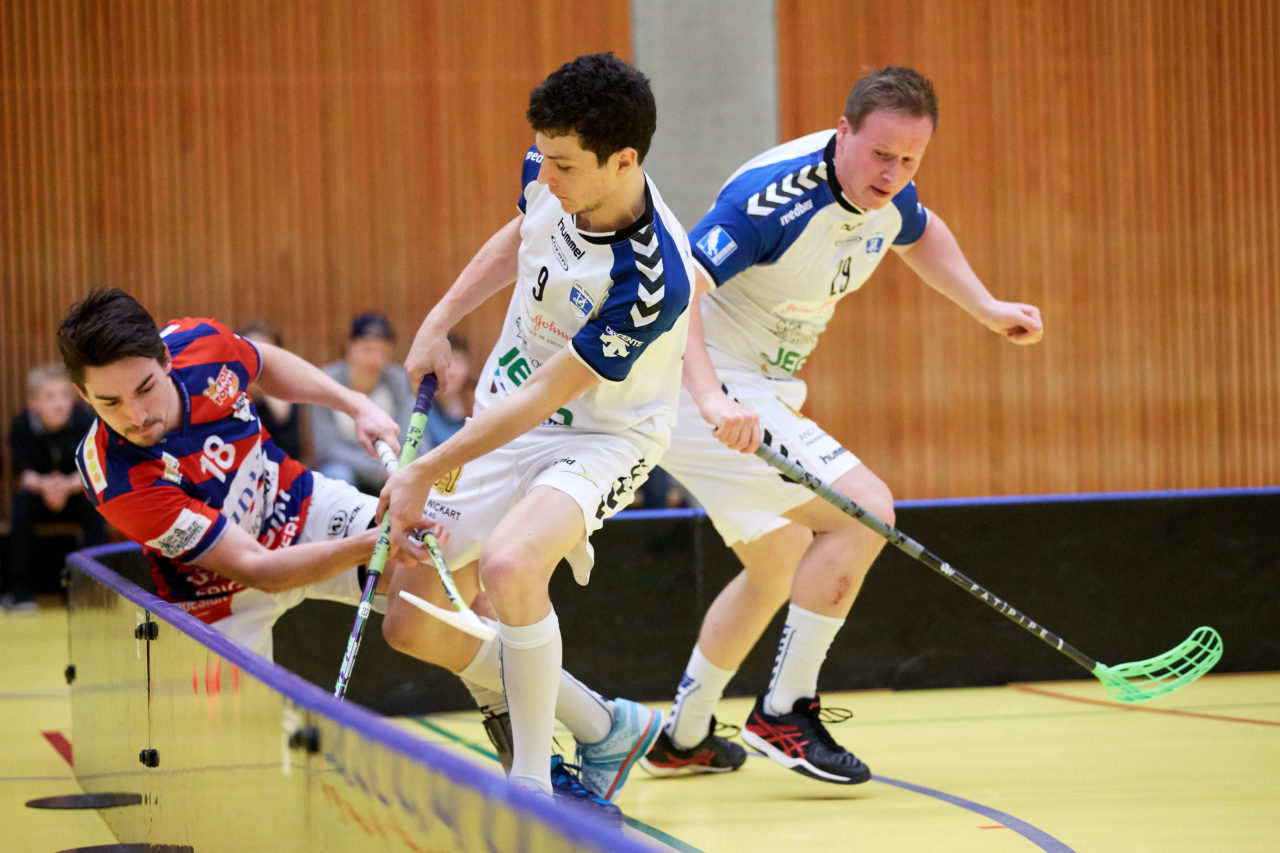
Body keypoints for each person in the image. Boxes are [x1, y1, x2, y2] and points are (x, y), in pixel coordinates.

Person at [640, 66, 1044, 784]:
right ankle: (785, 709)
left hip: (759, 388)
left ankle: (686, 734)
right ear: (842, 131)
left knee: (776, 565)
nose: (893, 174)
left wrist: (986, 307)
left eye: (910, 160)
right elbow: (676, 293)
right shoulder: (769, 202)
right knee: (867, 508)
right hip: (701, 385)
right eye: (880, 154)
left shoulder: (888, 192)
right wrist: (710, 398)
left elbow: (918, 231)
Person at [375, 53, 695, 818]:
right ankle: (601, 723)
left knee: (514, 567)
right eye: (542, 157)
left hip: (602, 435)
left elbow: (550, 398)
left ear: (624, 161)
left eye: (563, 165)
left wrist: (426, 469)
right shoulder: (548, 171)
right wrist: (437, 320)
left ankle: (534, 788)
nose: (544, 177)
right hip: (507, 415)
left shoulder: (651, 280)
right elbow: (522, 232)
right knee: (410, 622)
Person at [56, 288, 433, 659]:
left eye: (146, 388)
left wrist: (354, 404)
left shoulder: (202, 347)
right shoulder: (115, 478)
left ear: (166, 359)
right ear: (84, 394)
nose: (136, 416)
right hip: (218, 597)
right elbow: (257, 569)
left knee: (428, 572)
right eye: (111, 402)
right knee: (233, 721)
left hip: (298, 505)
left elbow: (263, 362)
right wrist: (377, 541)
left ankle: (493, 701)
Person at [3, 364, 106, 610]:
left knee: (98, 507)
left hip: (76, 492)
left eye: (64, 396)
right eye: (50, 397)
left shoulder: (85, 420)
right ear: (33, 403)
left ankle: (96, 588)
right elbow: (23, 473)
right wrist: (47, 486)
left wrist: (67, 486)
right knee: (21, 506)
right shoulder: (21, 425)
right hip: (39, 495)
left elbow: (93, 470)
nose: (59, 404)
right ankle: (19, 591)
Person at [310, 312, 415, 493]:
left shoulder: (397, 381)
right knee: (338, 474)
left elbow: (409, 434)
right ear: (349, 346)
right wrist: (379, 467)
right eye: (367, 350)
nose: (376, 359)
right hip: (346, 467)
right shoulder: (326, 381)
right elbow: (326, 447)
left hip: (391, 468)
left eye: (383, 352)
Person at [238, 322, 308, 461]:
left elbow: (291, 449)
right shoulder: (230, 391)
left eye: (265, 352)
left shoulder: (287, 389)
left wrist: (266, 390)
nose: (258, 359)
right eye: (252, 350)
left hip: (280, 470)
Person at [424, 332, 473, 448]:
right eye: (444, 363)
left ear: (468, 368)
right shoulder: (421, 408)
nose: (450, 372)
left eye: (457, 362)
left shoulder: (479, 402)